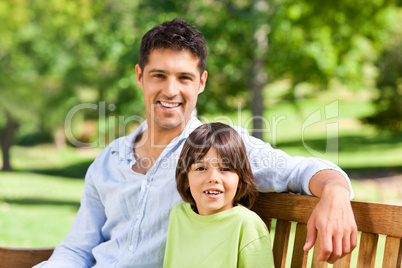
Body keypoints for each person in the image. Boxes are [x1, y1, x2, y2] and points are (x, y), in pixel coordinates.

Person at [35, 17, 357, 267]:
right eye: (159, 75)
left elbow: (301, 170)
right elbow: (78, 248)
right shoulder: (109, 159)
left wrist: (335, 192)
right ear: (139, 77)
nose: (171, 90)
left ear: (201, 82)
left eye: (184, 78)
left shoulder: (218, 151)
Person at [163, 122, 274, 267]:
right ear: (185, 179)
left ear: (240, 178)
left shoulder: (246, 224)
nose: (213, 178)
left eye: (225, 168)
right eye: (201, 168)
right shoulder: (178, 215)